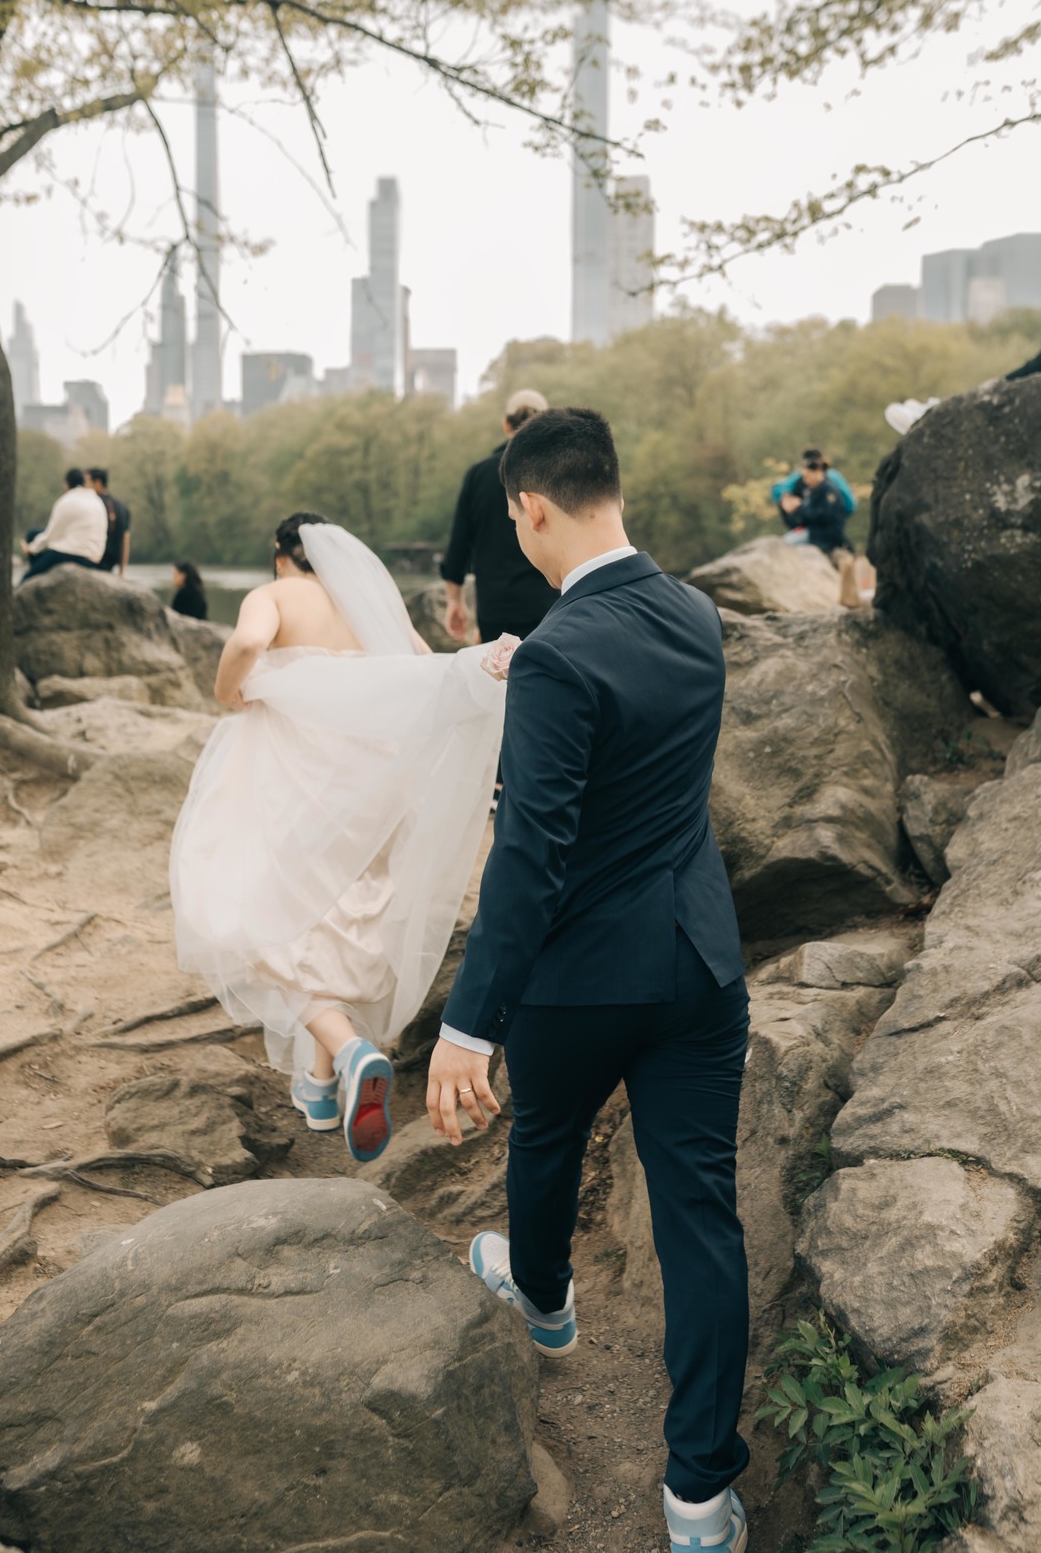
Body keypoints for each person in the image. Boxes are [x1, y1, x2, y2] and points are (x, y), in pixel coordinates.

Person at [426, 409, 750, 1553]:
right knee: (701, 1216)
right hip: (699, 965)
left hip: (580, 980)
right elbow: (636, 727)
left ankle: (548, 1304)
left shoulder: (563, 652)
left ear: (531, 508)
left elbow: (530, 857)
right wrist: (536, 668)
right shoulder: (693, 613)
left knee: (547, 1134)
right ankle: (700, 1495)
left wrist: (469, 1023)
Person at [170, 512, 511, 1166]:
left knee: (255, 924)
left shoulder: (276, 595)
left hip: (294, 774)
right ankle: (321, 1090)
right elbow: (423, 667)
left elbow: (245, 643)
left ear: (281, 555)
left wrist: (228, 691)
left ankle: (353, 1053)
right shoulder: (369, 603)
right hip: (370, 785)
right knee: (331, 924)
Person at [441, 389, 557, 645]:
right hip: (547, 605)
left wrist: (454, 602)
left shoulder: (479, 475)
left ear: (506, 424)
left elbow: (459, 544)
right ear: (545, 423)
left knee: (497, 680)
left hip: (495, 608)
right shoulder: (556, 474)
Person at [20, 469, 108, 581]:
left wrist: (31, 549)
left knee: (27, 578)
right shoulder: (96, 500)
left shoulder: (67, 500)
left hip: (77, 555)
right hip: (95, 557)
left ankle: (35, 576)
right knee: (35, 534)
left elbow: (51, 534)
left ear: (67, 484)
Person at [778, 452, 851, 556]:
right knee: (783, 542)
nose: (805, 480)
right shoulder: (813, 490)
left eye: (807, 476)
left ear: (818, 472)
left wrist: (799, 507)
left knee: (786, 545)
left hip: (824, 534)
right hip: (813, 531)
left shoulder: (827, 489)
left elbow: (822, 516)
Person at [771, 449, 855, 520]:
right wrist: (788, 498)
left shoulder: (831, 476)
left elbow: (849, 505)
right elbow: (778, 488)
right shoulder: (800, 476)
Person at [87, 468, 132, 576]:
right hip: (112, 562)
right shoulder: (122, 507)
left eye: (87, 482)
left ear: (97, 482)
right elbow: (125, 541)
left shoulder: (92, 504)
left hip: (94, 559)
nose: (85, 487)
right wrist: (122, 572)